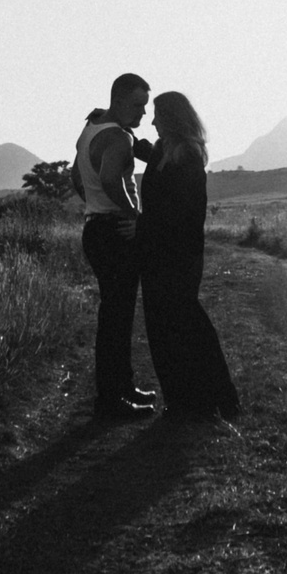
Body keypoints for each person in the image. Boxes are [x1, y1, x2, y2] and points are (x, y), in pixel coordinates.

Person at [137, 91, 239, 419]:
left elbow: (180, 213)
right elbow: (143, 151)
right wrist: (114, 124)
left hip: (177, 255)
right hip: (160, 253)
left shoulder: (188, 157)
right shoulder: (163, 152)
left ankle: (212, 399)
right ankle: (185, 400)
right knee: (166, 326)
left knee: (184, 324)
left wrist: (142, 229)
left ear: (173, 119)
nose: (152, 121)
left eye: (157, 116)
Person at [75, 72, 159, 420]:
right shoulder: (119, 138)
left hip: (96, 228)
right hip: (114, 233)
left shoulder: (90, 129)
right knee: (116, 319)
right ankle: (112, 400)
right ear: (120, 101)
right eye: (138, 106)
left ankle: (121, 388)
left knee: (115, 316)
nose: (143, 115)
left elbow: (76, 178)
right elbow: (111, 179)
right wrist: (133, 215)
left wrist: (94, 206)